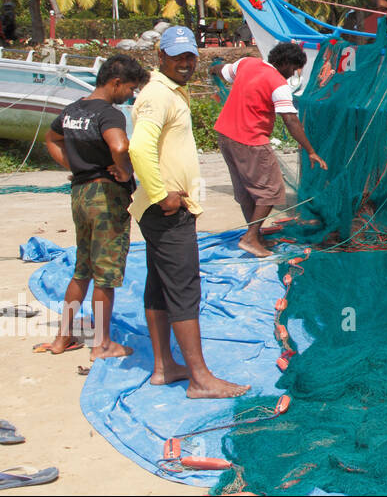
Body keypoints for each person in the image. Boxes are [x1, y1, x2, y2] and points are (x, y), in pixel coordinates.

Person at [128, 26, 248, 399]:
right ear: (159, 57)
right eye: (178, 56)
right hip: (167, 209)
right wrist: (162, 193)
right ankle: (199, 377)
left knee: (160, 287)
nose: (186, 63)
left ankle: (165, 367)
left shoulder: (169, 93)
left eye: (190, 56)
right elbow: (139, 148)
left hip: (165, 207)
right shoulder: (158, 95)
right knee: (184, 290)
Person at [37, 54, 151, 360]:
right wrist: (124, 171)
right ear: (115, 83)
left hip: (80, 193)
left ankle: (63, 339)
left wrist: (75, 165)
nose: (131, 94)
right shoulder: (109, 114)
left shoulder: (73, 110)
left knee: (82, 269)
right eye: (130, 88)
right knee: (106, 275)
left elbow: (51, 138)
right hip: (105, 198)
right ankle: (101, 344)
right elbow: (119, 146)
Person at [210, 41, 326, 258]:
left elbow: (222, 71)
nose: (291, 75)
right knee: (271, 191)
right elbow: (291, 120)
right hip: (250, 140)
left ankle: (255, 235)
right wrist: (310, 150)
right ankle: (250, 238)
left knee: (246, 190)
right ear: (284, 63)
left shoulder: (247, 63)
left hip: (225, 136)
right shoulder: (278, 84)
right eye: (292, 70)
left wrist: (213, 68)